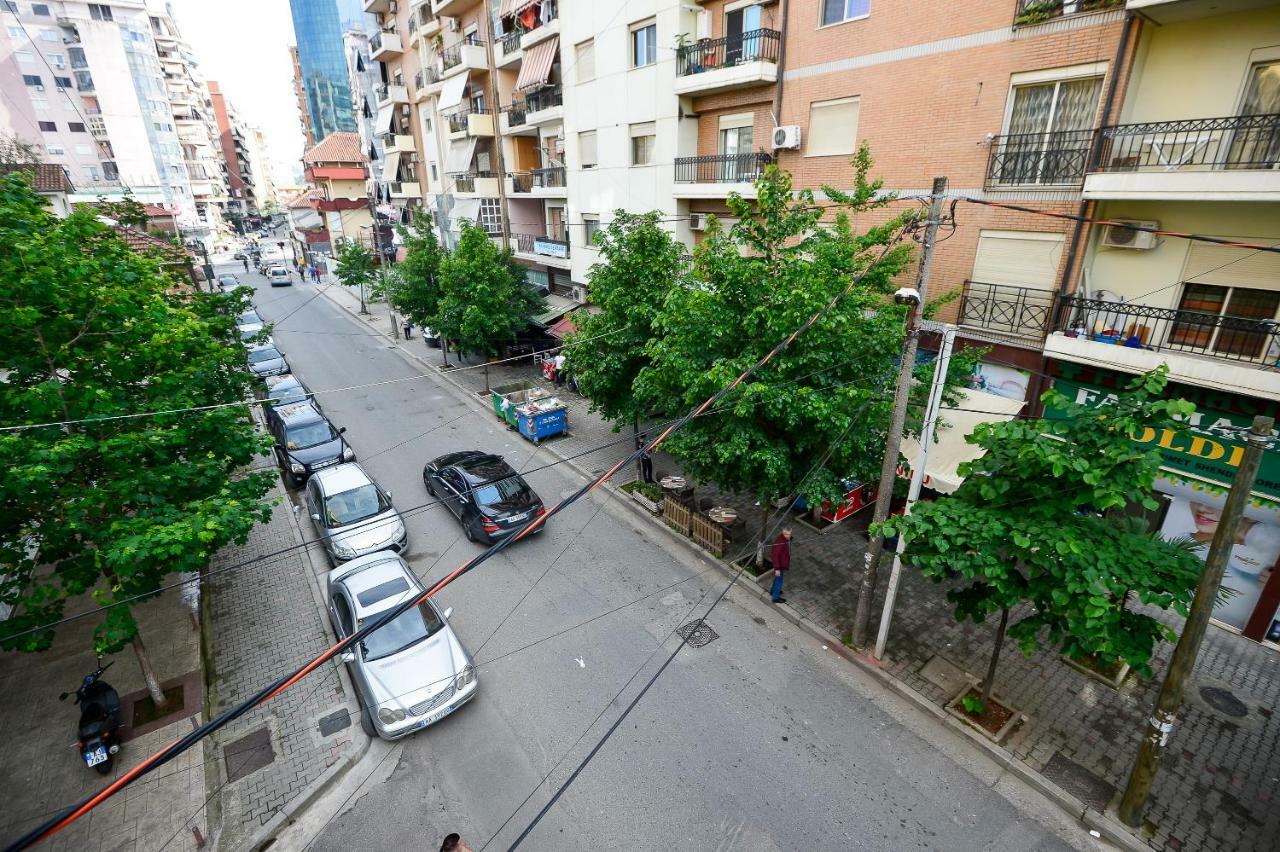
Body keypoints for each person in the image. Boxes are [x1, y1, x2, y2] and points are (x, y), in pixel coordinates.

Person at [769, 528, 792, 604]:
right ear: (783, 533)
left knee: (777, 578)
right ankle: (775, 597)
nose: (789, 536)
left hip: (780, 563)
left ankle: (773, 591)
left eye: (790, 534)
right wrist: (777, 569)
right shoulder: (781, 542)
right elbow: (775, 556)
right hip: (779, 565)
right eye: (787, 534)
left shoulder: (782, 538)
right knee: (779, 580)